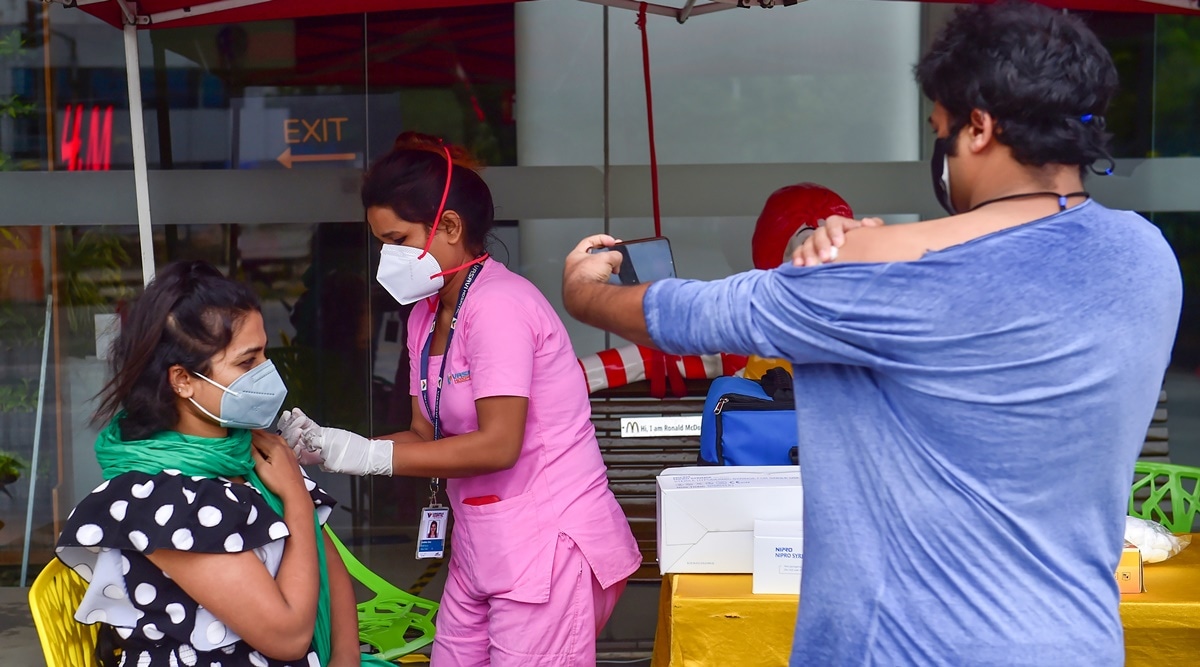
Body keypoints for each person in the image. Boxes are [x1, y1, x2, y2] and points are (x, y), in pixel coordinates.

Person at [561, 3, 1181, 665]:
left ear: (979, 127)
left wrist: (584, 292)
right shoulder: (1146, 259)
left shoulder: (877, 274)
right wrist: (863, 246)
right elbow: (1009, 263)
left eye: (939, 130)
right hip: (1077, 643)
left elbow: (690, 316)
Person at [277, 133, 641, 666]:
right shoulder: (426, 313)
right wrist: (327, 446)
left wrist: (359, 454)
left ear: (449, 227)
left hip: (547, 548)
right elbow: (425, 436)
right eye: (381, 242)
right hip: (481, 545)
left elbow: (497, 446)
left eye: (398, 240)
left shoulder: (500, 305)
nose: (387, 257)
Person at [54, 260, 373, 667]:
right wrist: (294, 495)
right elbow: (288, 635)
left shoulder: (247, 451)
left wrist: (345, 660)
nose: (267, 374)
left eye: (263, 355)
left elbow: (329, 568)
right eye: (245, 363)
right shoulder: (158, 499)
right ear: (182, 380)